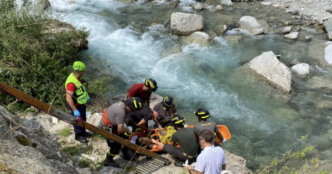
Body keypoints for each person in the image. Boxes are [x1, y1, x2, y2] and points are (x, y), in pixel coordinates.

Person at [99, 97, 143, 167]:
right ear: (129, 107)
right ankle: (108, 160)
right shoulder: (121, 112)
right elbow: (120, 129)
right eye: (133, 109)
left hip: (112, 124)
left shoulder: (123, 103)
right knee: (116, 145)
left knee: (123, 137)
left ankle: (125, 153)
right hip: (106, 127)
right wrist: (128, 129)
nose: (132, 111)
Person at [65, 61, 91, 143]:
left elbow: (81, 89)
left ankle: (83, 132)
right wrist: (74, 109)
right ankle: (78, 135)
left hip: (81, 104)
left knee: (83, 119)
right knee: (77, 121)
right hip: (76, 105)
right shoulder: (71, 83)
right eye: (83, 71)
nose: (84, 72)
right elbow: (68, 97)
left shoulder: (78, 78)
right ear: (79, 72)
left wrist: (87, 97)